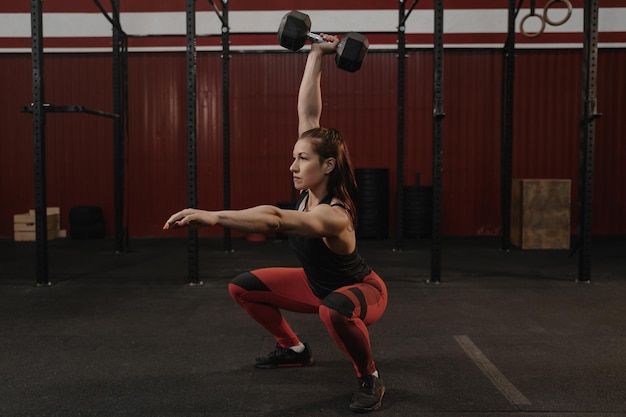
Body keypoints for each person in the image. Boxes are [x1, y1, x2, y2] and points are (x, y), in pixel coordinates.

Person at [163, 35, 388, 413]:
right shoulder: (312, 183)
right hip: (316, 284)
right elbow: (308, 112)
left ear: (327, 165)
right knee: (243, 287)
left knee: (332, 310)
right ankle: (293, 349)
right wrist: (316, 53)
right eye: (294, 157)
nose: (293, 166)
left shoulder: (333, 214)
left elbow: (276, 218)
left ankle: (369, 377)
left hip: (360, 291)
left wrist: (214, 216)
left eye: (302, 159)